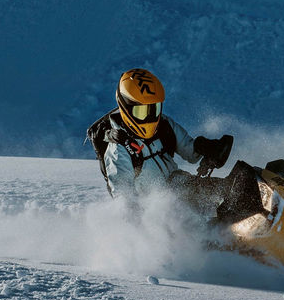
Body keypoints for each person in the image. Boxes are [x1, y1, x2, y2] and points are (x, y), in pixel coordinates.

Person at [86, 68, 232, 208]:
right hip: (156, 208)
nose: (149, 117)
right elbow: (124, 199)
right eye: (141, 111)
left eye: (153, 108)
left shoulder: (164, 124)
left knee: (234, 189)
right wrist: (146, 224)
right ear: (125, 108)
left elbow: (191, 153)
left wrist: (206, 147)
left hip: (182, 185)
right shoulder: (118, 150)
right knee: (207, 224)